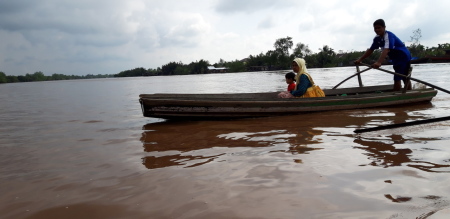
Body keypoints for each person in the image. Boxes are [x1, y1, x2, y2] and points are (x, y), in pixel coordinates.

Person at [354, 19, 412, 91]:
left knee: (399, 77)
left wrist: (379, 62)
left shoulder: (388, 36)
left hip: (403, 56)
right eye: (375, 28)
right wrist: (360, 59)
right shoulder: (377, 38)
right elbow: (371, 50)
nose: (377, 30)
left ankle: (399, 96)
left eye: (379, 28)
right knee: (403, 76)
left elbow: (386, 49)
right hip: (395, 59)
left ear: (384, 27)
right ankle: (407, 93)